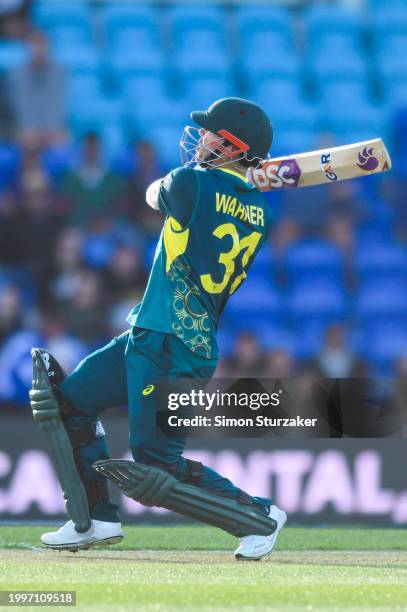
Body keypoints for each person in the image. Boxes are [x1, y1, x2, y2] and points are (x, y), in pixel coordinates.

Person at [31, 98, 287, 560]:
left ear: (230, 146)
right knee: (71, 404)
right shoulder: (261, 212)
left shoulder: (190, 182)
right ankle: (95, 520)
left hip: (175, 346)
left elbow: (155, 194)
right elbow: (213, 201)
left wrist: (188, 182)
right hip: (150, 334)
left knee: (155, 462)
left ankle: (260, 515)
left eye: (211, 134)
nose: (201, 138)